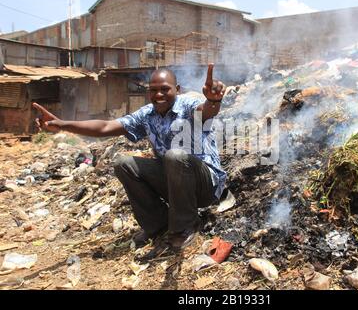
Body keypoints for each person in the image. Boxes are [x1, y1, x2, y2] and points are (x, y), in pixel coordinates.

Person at [33, 64, 227, 251]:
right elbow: (105, 127)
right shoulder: (147, 115)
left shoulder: (188, 105)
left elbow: (207, 111)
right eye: (153, 90)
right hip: (175, 185)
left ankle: (185, 225)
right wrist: (62, 124)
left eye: (165, 89)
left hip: (204, 187)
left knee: (174, 156)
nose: (158, 95)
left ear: (177, 89)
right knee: (123, 163)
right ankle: (158, 224)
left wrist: (213, 101)